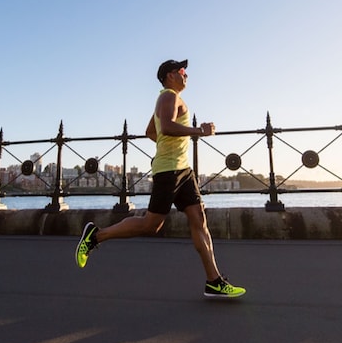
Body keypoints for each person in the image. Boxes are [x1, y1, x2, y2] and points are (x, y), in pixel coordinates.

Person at [75, 59, 246, 299]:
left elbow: (151, 132)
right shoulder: (168, 96)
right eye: (182, 71)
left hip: (183, 170)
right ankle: (96, 236)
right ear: (169, 75)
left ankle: (214, 281)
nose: (186, 75)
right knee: (151, 225)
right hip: (169, 172)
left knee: (199, 219)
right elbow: (165, 127)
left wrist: (170, 148)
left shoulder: (170, 98)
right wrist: (199, 131)